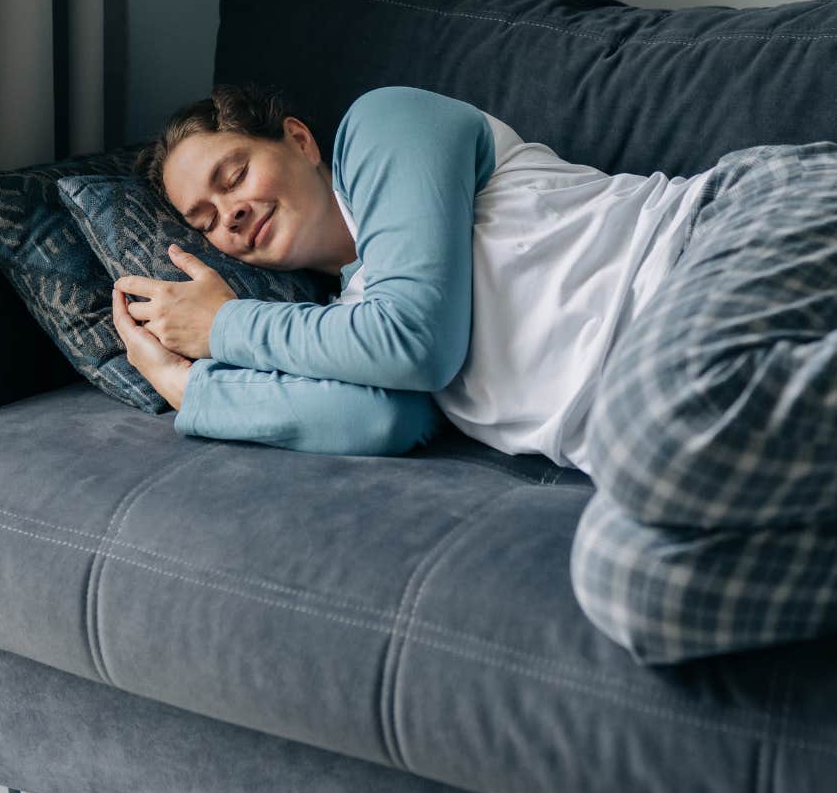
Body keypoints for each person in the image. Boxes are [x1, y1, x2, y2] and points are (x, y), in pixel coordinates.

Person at [117, 82, 837, 663]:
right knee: (626, 585)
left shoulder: (382, 127)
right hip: (670, 422)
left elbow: (414, 339)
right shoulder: (339, 327)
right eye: (206, 220)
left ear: (299, 141)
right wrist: (190, 390)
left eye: (234, 174)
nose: (231, 216)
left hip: (738, 226)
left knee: (642, 428)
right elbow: (377, 419)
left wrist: (224, 327)